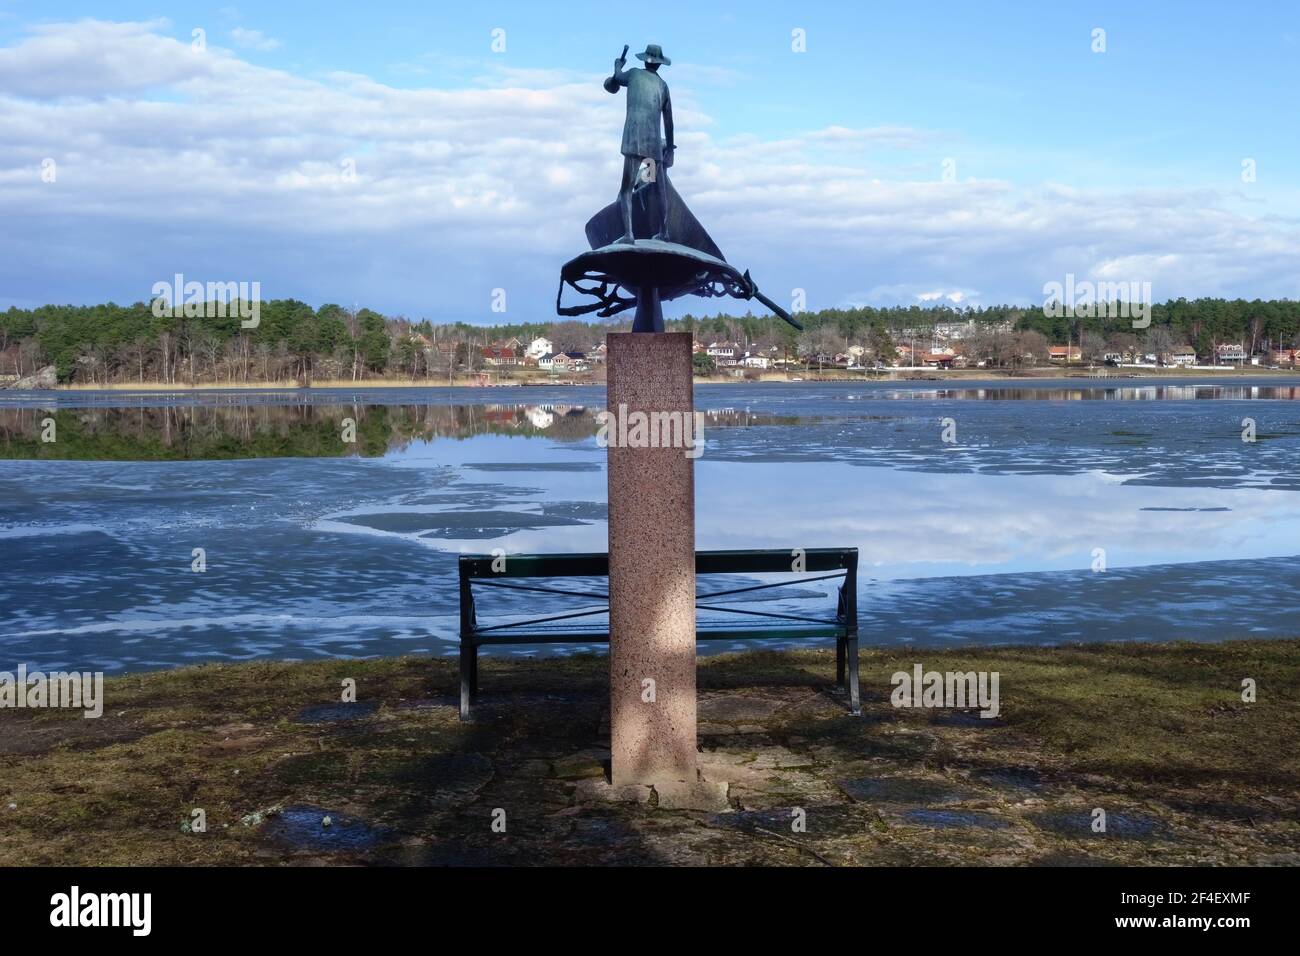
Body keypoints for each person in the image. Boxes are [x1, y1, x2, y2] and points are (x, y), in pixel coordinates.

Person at [606, 43, 675, 243]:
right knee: (656, 185)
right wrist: (670, 149)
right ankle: (664, 231)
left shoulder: (634, 74)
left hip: (633, 141)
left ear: (645, 60)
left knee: (627, 188)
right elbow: (669, 122)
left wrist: (618, 65)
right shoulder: (663, 86)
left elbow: (616, 79)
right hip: (653, 147)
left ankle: (629, 235)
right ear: (660, 65)